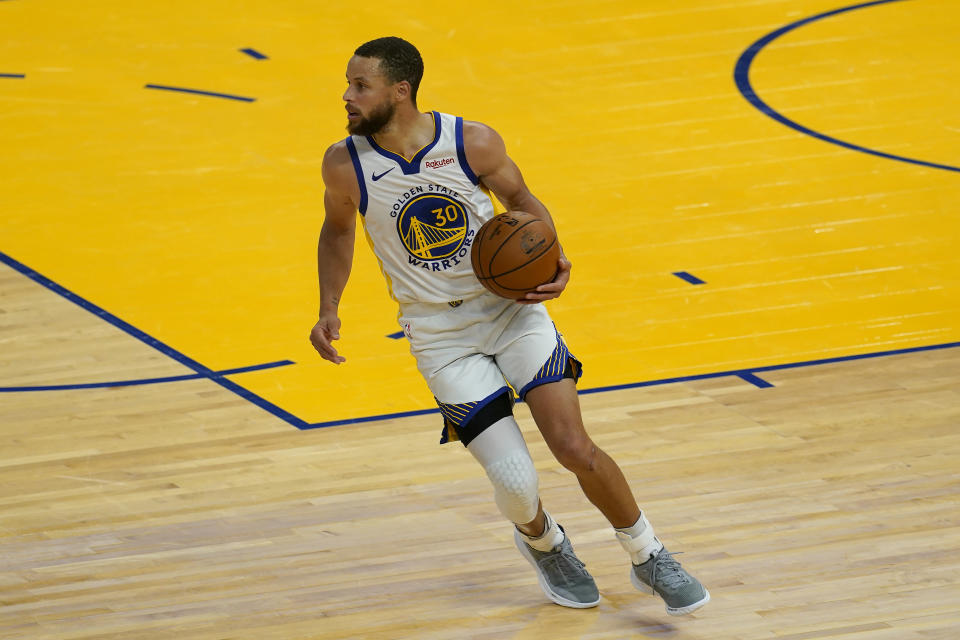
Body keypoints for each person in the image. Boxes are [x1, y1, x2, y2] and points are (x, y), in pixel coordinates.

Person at [310, 36, 709, 616]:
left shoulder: (471, 141)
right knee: (516, 481)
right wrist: (328, 305)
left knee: (573, 447)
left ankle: (649, 554)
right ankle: (544, 542)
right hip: (439, 334)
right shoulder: (344, 163)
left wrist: (556, 259)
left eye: (359, 85)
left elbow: (520, 199)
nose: (347, 96)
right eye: (348, 84)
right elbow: (338, 231)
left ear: (401, 90)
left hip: (512, 310)